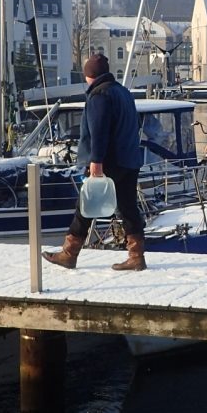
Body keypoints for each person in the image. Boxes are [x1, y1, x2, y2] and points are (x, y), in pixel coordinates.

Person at [43, 54, 147, 271]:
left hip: (110, 161)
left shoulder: (99, 95)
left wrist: (95, 161)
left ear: (89, 74)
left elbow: (98, 132)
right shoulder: (123, 92)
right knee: (128, 207)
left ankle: (69, 254)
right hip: (130, 159)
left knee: (85, 204)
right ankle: (136, 256)